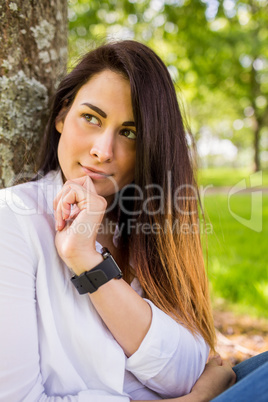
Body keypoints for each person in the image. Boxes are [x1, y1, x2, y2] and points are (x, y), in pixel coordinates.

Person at [0, 40, 266, 401]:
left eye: (130, 133)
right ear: (62, 115)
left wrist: (87, 262)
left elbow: (187, 368)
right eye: (91, 118)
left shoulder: (149, 223)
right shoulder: (13, 219)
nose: (103, 150)